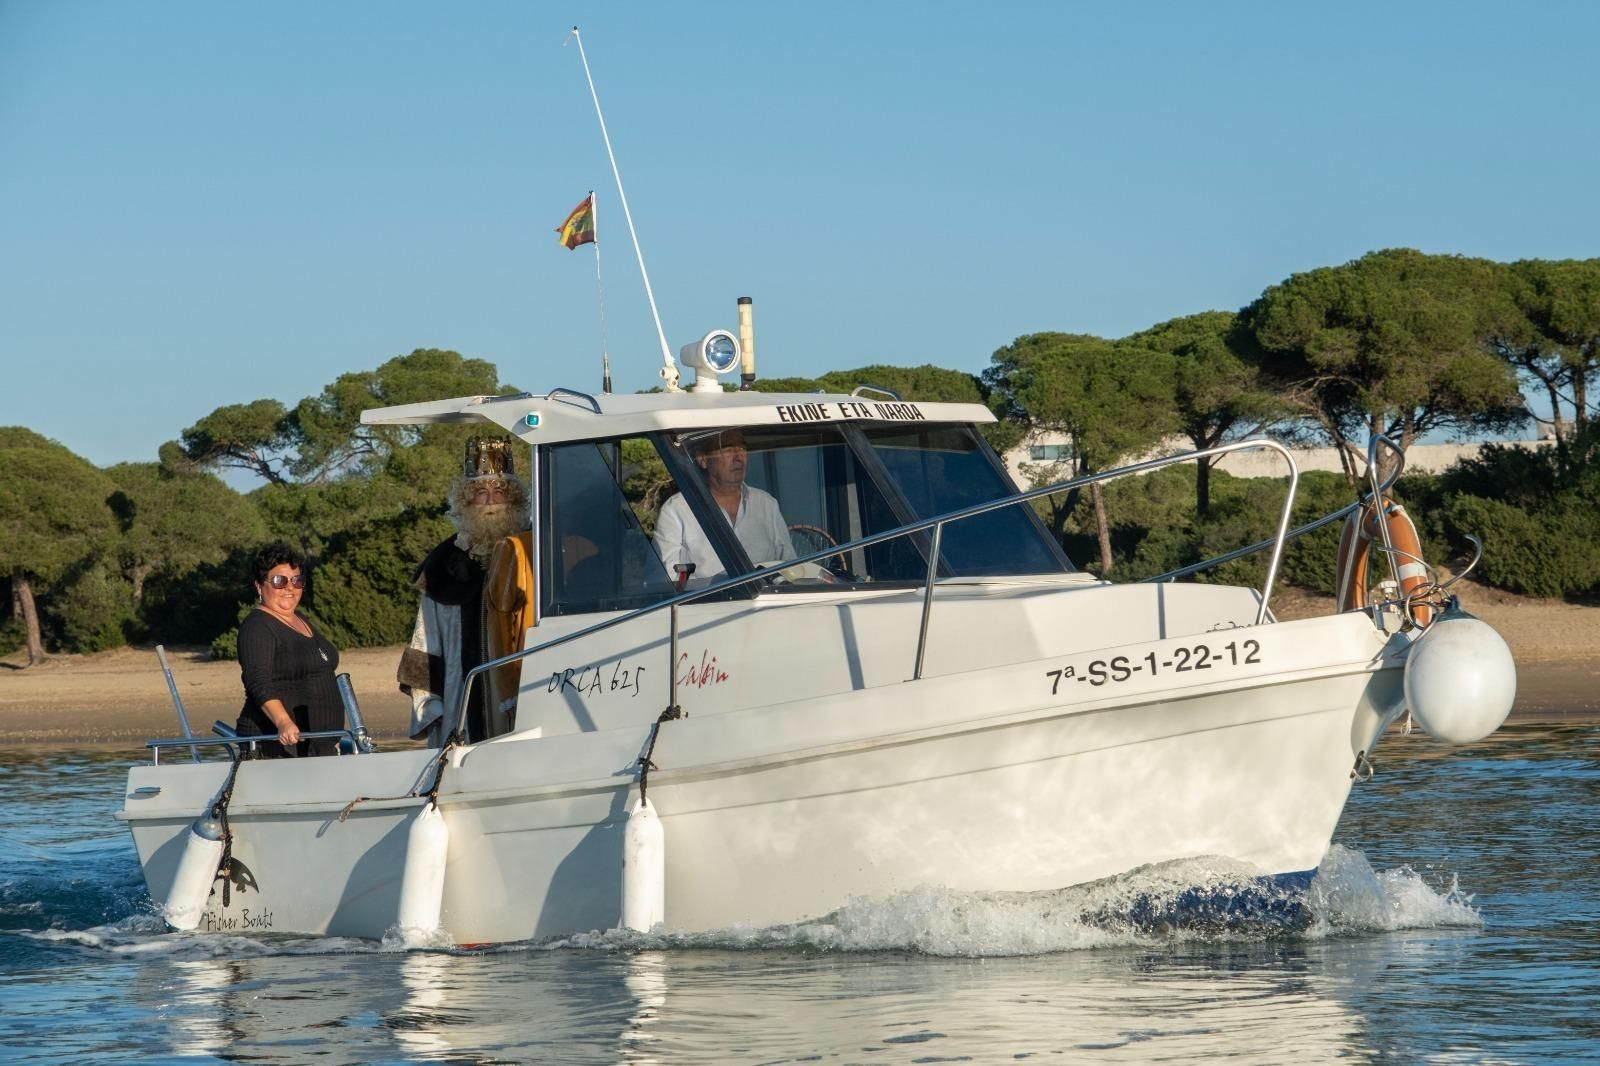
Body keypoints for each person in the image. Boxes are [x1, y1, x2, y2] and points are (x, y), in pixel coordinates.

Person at [399, 436, 532, 747]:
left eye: (499, 492)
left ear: (514, 500)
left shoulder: (533, 552)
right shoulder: (443, 565)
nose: (490, 502)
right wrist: (431, 707)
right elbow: (425, 642)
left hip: (526, 698)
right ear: (466, 501)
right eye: (481, 493)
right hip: (460, 709)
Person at [235, 542, 342, 758]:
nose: (289, 588)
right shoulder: (257, 627)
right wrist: (283, 722)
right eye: (279, 581)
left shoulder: (300, 619)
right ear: (259, 586)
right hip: (278, 747)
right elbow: (257, 681)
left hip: (317, 746)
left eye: (296, 580)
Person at [653, 428, 795, 584]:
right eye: (727, 449)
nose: (739, 457)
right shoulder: (676, 511)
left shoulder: (766, 504)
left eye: (742, 448)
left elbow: (791, 568)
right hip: (709, 599)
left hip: (767, 598)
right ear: (703, 459)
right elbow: (666, 583)